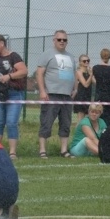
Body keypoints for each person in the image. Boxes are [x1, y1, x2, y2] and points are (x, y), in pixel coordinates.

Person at [36, 31, 77, 159]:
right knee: (46, 122)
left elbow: (74, 74)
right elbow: (39, 73)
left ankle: (64, 150)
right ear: (54, 40)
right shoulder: (47, 54)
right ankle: (42, 150)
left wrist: (75, 88)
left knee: (66, 123)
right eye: (59, 39)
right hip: (51, 94)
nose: (62, 42)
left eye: (64, 40)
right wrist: (42, 91)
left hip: (67, 96)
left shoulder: (70, 57)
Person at [0, 33, 27, 160]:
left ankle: (12, 152)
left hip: (13, 92)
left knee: (11, 122)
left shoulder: (13, 56)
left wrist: (9, 76)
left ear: (2, 43)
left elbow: (23, 71)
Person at [92, 48, 110, 127]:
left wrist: (100, 83)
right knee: (109, 118)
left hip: (99, 96)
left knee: (98, 115)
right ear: (109, 57)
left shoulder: (95, 68)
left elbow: (93, 80)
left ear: (100, 56)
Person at [73, 54, 94, 122]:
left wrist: (92, 74)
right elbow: (85, 84)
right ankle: (78, 132)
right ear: (80, 62)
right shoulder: (78, 72)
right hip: (80, 96)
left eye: (88, 60)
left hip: (88, 96)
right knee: (80, 119)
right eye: (84, 61)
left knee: (86, 119)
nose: (86, 62)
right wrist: (91, 75)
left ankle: (85, 131)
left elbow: (95, 82)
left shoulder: (89, 72)